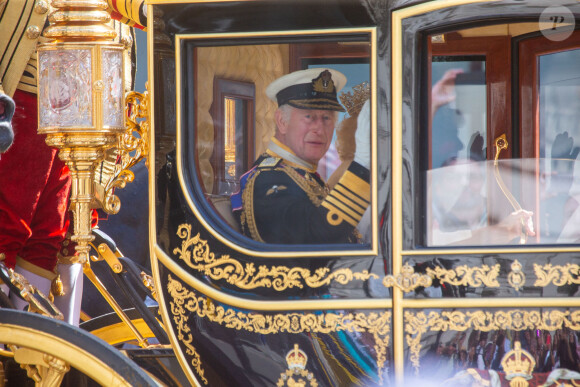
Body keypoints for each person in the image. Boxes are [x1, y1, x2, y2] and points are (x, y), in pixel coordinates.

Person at [0, 0, 145, 324]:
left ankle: (39, 353)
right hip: (20, 88)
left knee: (59, 235)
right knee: (7, 225)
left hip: (89, 101)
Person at [231, 68, 371, 244]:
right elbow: (313, 236)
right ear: (282, 121)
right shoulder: (266, 179)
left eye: (326, 118)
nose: (319, 129)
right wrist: (362, 165)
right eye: (309, 116)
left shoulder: (303, 174)